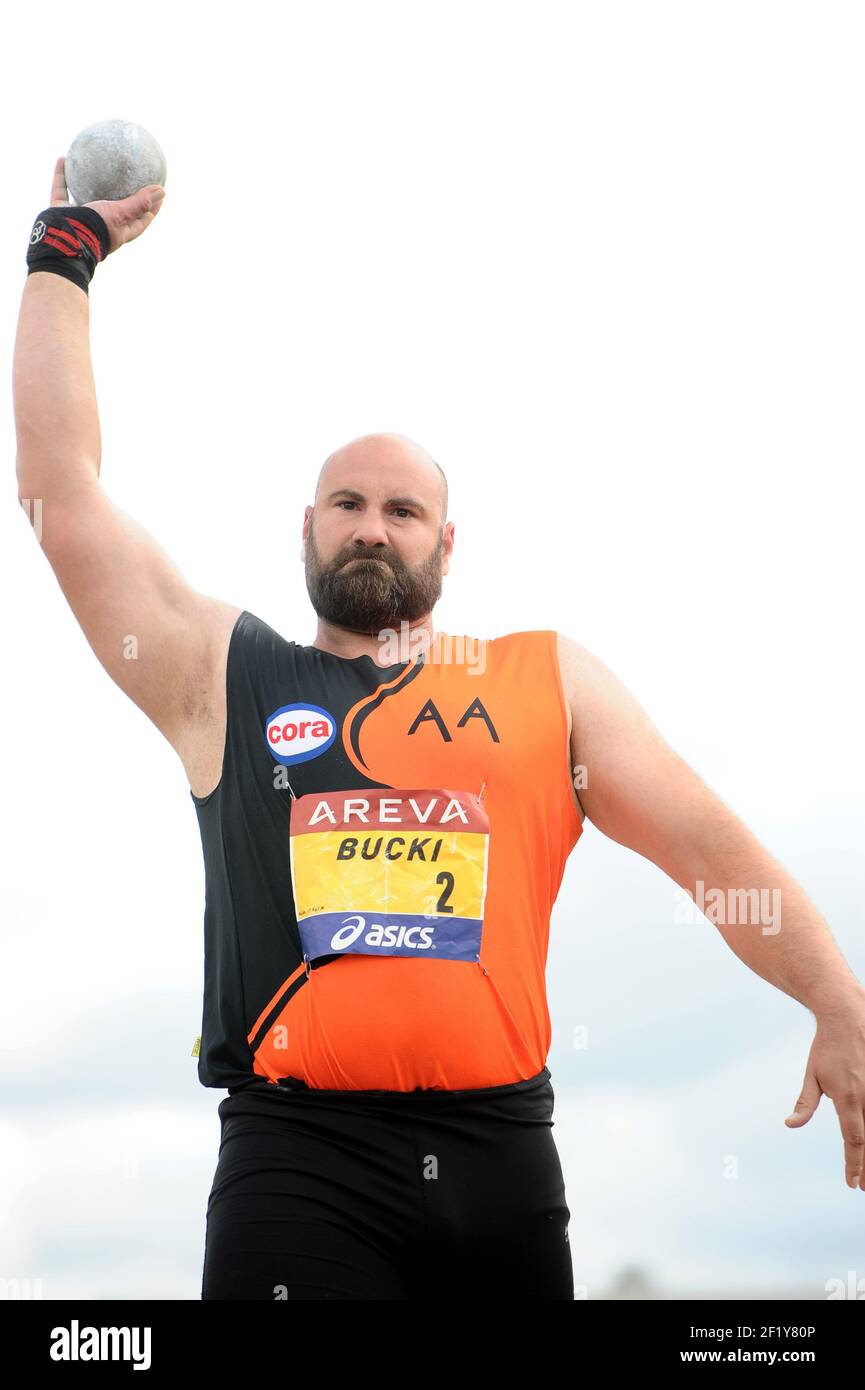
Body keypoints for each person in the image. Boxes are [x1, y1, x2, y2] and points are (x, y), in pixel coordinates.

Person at [13, 160, 865, 1303]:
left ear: (446, 545)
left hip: (501, 1160)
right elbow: (60, 494)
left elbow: (709, 853)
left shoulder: (543, 679)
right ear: (306, 527)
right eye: (347, 505)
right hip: (297, 1161)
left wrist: (836, 997)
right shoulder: (224, 673)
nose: (372, 528)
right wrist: (63, 256)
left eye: (401, 509)